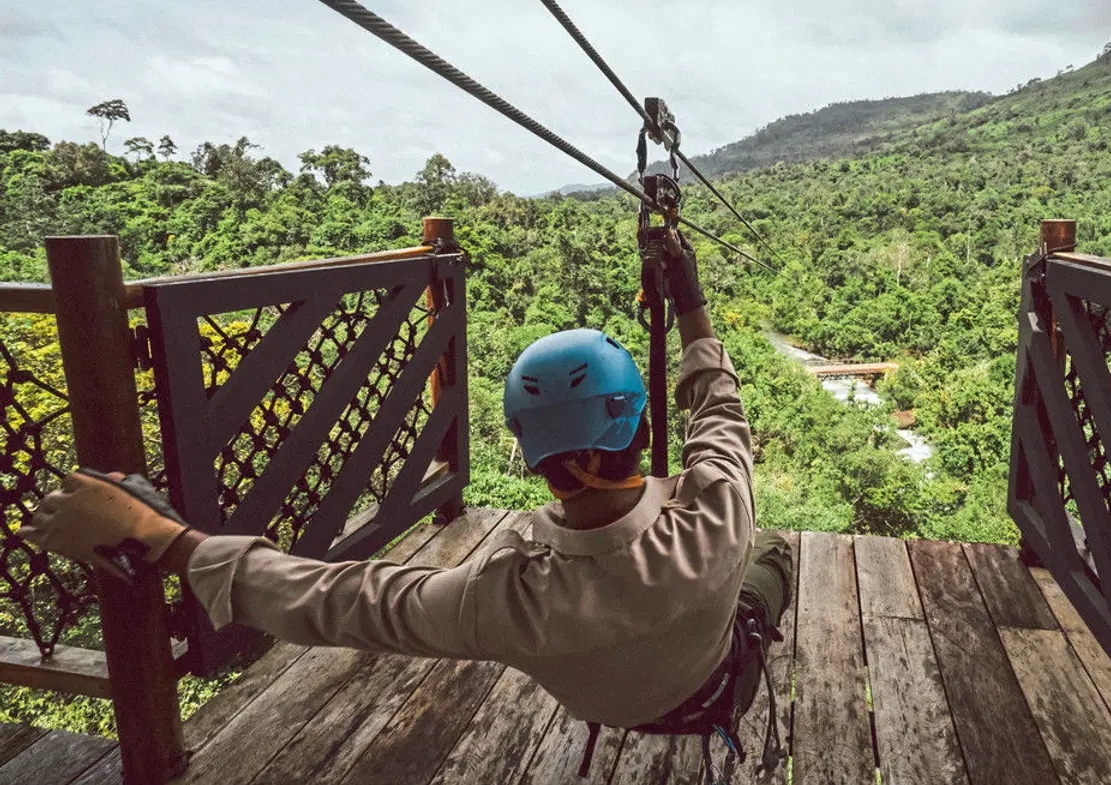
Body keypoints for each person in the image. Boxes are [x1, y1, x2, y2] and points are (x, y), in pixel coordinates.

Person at [20, 231, 793, 778]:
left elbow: (334, 598)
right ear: (632, 431)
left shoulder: (504, 600)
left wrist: (161, 535)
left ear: (539, 458)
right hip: (715, 683)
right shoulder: (718, 520)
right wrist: (688, 298)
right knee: (774, 559)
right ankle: (774, 586)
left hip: (611, 702)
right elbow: (718, 411)